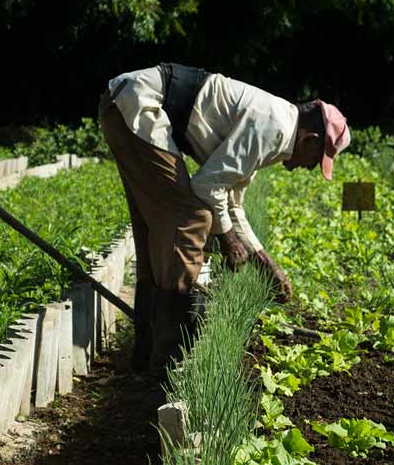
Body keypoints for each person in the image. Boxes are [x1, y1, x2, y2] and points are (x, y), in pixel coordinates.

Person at [97, 62, 350, 375]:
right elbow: (206, 186)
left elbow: (232, 205)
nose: (312, 167)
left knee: (158, 231)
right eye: (318, 160)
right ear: (309, 140)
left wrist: (265, 264)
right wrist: (226, 238)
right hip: (140, 107)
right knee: (190, 219)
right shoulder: (273, 128)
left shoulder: (276, 125)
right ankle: (168, 364)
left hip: (124, 103)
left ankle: (146, 354)